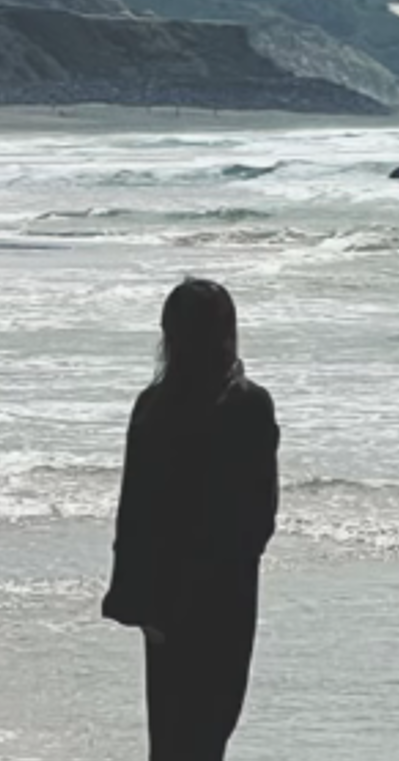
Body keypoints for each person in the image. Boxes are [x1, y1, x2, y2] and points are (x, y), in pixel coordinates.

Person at [102, 277, 280, 761]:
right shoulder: (247, 403)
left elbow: (133, 513)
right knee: (209, 732)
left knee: (171, 738)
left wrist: (136, 600)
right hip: (225, 597)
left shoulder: (153, 405)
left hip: (163, 601)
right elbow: (259, 517)